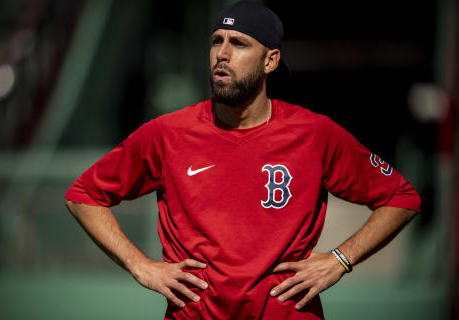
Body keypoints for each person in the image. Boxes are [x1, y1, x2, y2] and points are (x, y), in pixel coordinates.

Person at [64, 1, 421, 319]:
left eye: (239, 43)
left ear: (270, 60)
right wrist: (140, 266)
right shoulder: (167, 134)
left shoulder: (314, 134)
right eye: (216, 41)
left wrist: (340, 260)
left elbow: (401, 198)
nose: (222, 53)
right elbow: (83, 196)